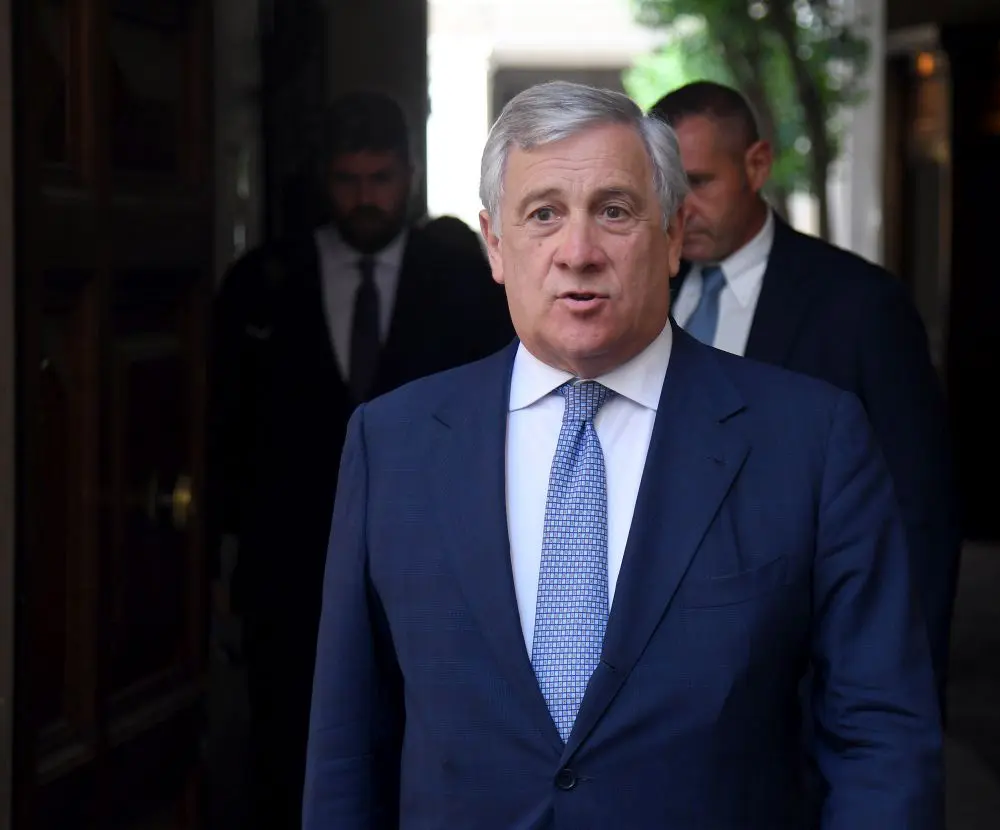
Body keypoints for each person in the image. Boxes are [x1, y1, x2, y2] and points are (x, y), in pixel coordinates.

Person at [303, 81, 944, 828]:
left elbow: (881, 740)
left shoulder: (810, 440)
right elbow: (347, 747)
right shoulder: (393, 444)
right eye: (543, 214)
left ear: (672, 236)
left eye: (614, 211)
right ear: (495, 245)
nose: (578, 253)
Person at [207, 90, 513, 828]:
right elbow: (226, 435)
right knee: (290, 750)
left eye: (381, 179)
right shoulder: (265, 281)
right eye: (349, 180)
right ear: (325, 179)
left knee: (426, 745)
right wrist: (223, 566)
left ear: (410, 175)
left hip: (434, 562)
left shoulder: (465, 280)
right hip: (292, 572)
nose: (367, 197)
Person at [650, 81, 961, 707]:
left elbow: (918, 512)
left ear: (757, 164)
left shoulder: (860, 306)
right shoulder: (643, 292)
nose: (681, 209)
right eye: (667, 189)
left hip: (803, 676)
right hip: (660, 680)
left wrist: (902, 698)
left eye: (700, 183)